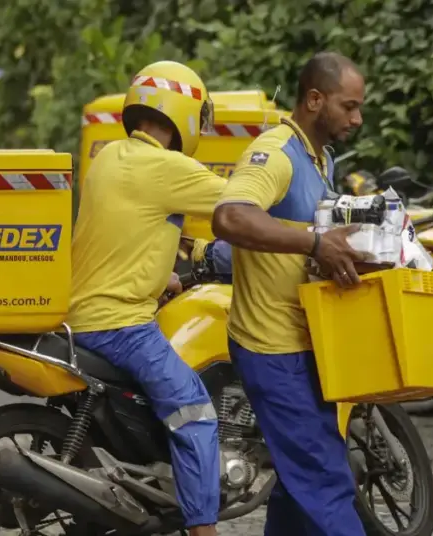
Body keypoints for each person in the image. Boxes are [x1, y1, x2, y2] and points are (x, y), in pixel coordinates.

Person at [211, 51, 369, 536]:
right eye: (348, 106)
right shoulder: (276, 153)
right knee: (325, 479)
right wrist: (316, 243)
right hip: (271, 347)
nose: (357, 118)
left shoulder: (320, 158)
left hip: (307, 343)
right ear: (315, 99)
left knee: (301, 480)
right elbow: (230, 217)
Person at [67, 60, 224, 536]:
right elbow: (243, 204)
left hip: (81, 312)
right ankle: (203, 529)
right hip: (120, 323)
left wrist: (165, 278)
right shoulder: (166, 167)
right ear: (186, 112)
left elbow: (130, 233)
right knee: (195, 413)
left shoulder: (111, 156)